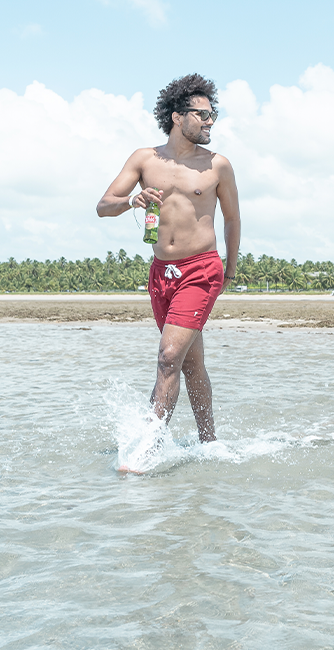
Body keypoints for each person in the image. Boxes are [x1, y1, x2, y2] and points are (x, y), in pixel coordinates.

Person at [97, 74, 241, 471]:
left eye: (214, 115)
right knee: (189, 363)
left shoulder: (217, 166)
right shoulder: (144, 159)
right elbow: (103, 205)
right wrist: (133, 200)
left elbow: (232, 218)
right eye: (204, 115)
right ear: (178, 116)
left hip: (201, 270)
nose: (211, 122)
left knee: (168, 356)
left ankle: (150, 444)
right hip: (162, 273)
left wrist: (229, 268)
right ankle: (209, 442)